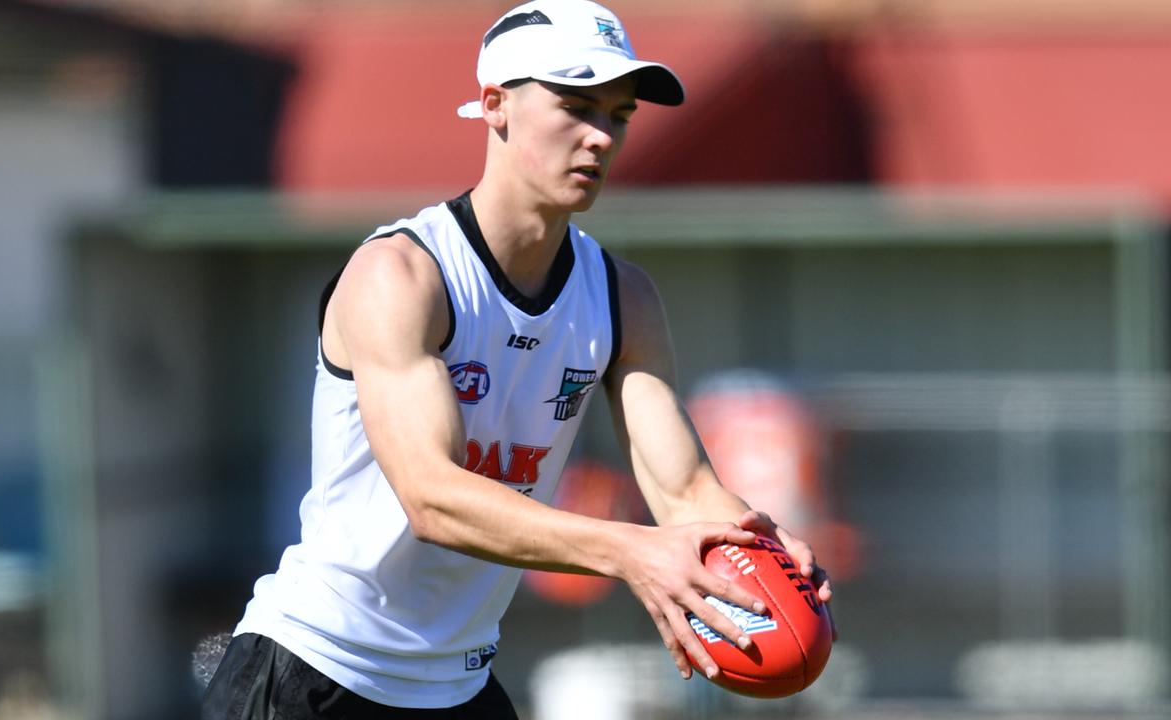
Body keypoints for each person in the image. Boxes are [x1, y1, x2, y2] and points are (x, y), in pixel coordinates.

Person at [203, 1, 833, 718]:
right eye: (575, 105)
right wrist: (632, 552)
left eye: (619, 114)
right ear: (495, 105)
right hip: (314, 673)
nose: (600, 135)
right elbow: (434, 499)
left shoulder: (623, 296)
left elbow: (685, 490)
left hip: (459, 686)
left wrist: (756, 552)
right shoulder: (401, 275)